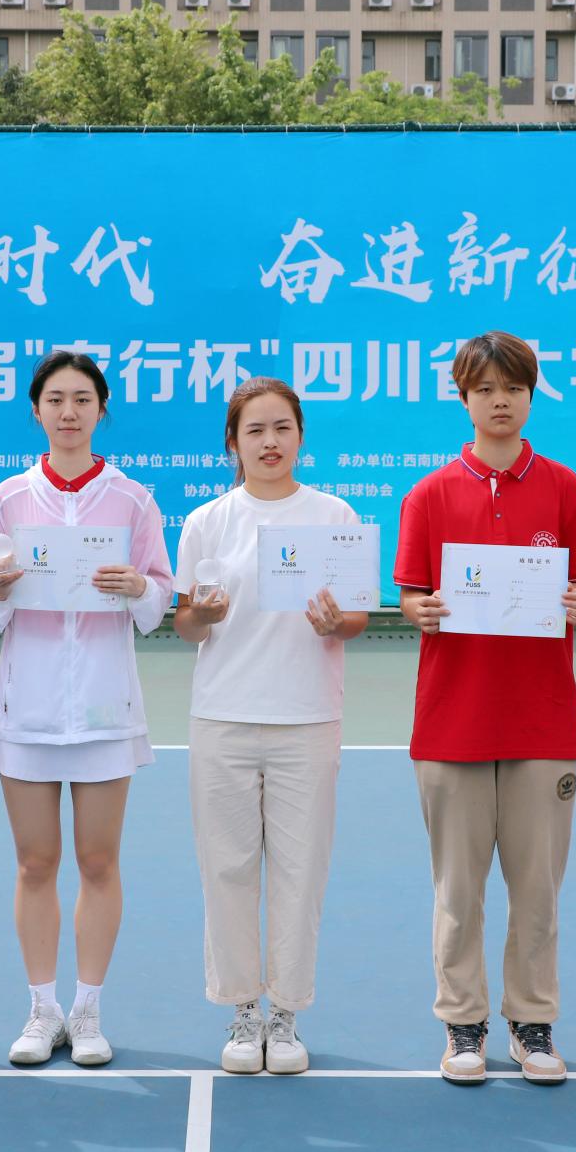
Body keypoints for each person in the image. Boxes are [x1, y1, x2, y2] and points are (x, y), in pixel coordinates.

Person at [393, 330, 576, 1085]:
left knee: (537, 890)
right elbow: (411, 593)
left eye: (513, 388)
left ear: (531, 395)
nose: (500, 401)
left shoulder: (567, 489)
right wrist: (418, 609)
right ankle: (464, 1024)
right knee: (459, 892)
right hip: (453, 721)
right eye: (485, 389)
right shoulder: (429, 495)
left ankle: (533, 1022)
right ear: (464, 398)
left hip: (543, 720)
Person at [0, 351, 173, 1068]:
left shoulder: (133, 500)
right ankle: (41, 1009)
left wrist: (137, 587)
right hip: (25, 706)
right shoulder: (6, 500)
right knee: (35, 863)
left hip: (103, 709)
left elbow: (159, 602)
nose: (68, 412)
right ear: (36, 410)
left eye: (82, 399)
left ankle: (86, 1011)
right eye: (55, 399)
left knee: (97, 860)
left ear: (101, 410)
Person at [173, 377, 368, 1075]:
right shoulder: (207, 521)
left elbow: (356, 618)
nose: (269, 442)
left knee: (299, 872)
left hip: (306, 719)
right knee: (226, 869)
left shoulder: (334, 515)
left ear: (301, 436)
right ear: (234, 442)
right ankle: (241, 1010)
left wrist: (334, 621)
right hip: (223, 717)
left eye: (282, 427)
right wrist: (203, 615)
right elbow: (186, 624)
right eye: (254, 430)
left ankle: (285, 1013)